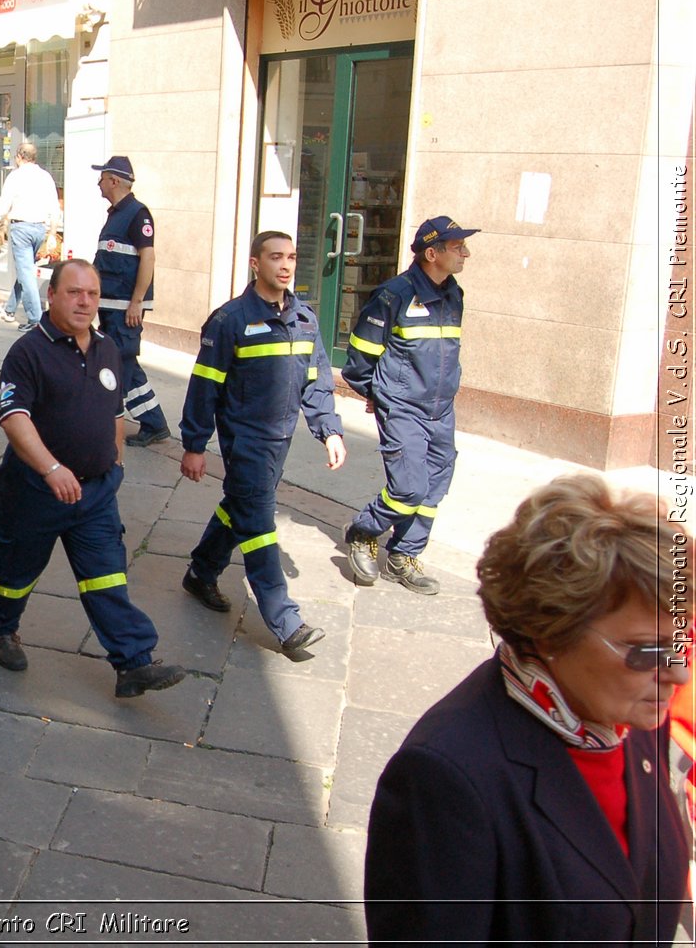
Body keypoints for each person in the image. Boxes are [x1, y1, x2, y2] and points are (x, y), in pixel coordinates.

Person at [365, 474, 691, 944]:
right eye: (646, 650)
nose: (678, 674)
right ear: (552, 630)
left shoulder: (633, 715)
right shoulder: (444, 778)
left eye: (681, 642)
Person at [0, 258, 187, 696]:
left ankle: (133, 662)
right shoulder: (28, 353)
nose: (84, 301)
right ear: (51, 294)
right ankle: (0, 629)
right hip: (34, 491)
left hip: (95, 492)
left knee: (107, 575)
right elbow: (14, 417)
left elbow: (115, 412)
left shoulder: (108, 349)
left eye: (92, 294)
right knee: (13, 572)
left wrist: (115, 463)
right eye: (74, 292)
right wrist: (51, 468)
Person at [178, 230, 345, 659]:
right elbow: (204, 386)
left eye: (291, 256)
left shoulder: (304, 319)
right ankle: (286, 622)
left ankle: (201, 572)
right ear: (256, 264)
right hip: (246, 442)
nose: (286, 265)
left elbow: (318, 381)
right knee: (259, 526)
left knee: (240, 506)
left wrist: (330, 431)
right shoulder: (230, 320)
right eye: (275, 257)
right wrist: (195, 444)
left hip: (281, 441)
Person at [341, 215, 474, 596]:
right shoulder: (393, 295)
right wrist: (380, 394)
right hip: (404, 408)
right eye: (457, 247)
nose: (466, 253)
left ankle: (403, 555)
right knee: (409, 488)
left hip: (441, 409)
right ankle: (363, 531)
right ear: (432, 253)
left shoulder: (454, 294)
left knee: (434, 487)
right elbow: (360, 359)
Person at [92, 154, 171, 447]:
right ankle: (154, 423)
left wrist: (136, 302)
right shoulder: (117, 213)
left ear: (114, 180)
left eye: (101, 177)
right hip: (114, 307)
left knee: (119, 364)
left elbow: (147, 257)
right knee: (125, 363)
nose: (98, 182)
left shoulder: (137, 213)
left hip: (126, 308)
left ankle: (106, 422)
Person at [0, 142, 60, 330]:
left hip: (21, 229)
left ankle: (36, 319)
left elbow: (3, 206)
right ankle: (10, 308)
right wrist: (52, 233)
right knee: (25, 269)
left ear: (19, 156)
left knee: (26, 272)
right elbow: (54, 207)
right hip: (39, 230)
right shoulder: (46, 177)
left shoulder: (15, 176)